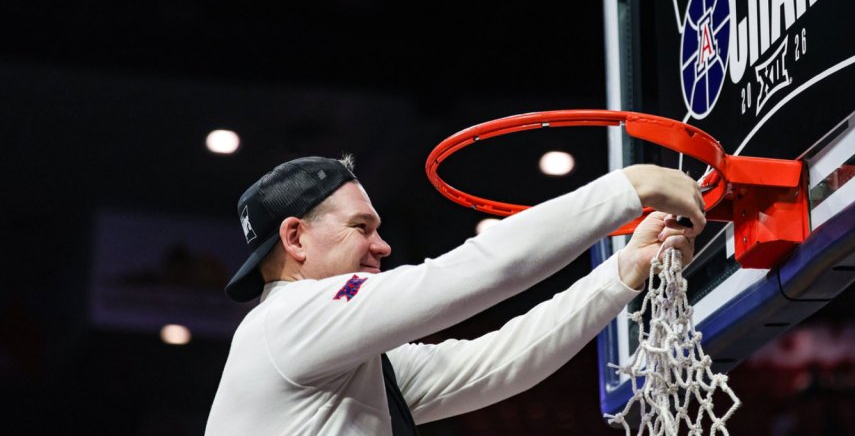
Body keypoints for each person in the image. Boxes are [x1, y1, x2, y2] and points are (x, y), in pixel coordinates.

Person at [206, 155, 706, 435]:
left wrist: (622, 271)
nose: (383, 245)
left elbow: (503, 361)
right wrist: (625, 189)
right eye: (362, 227)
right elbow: (474, 272)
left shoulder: (341, 362)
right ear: (295, 239)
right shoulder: (288, 320)